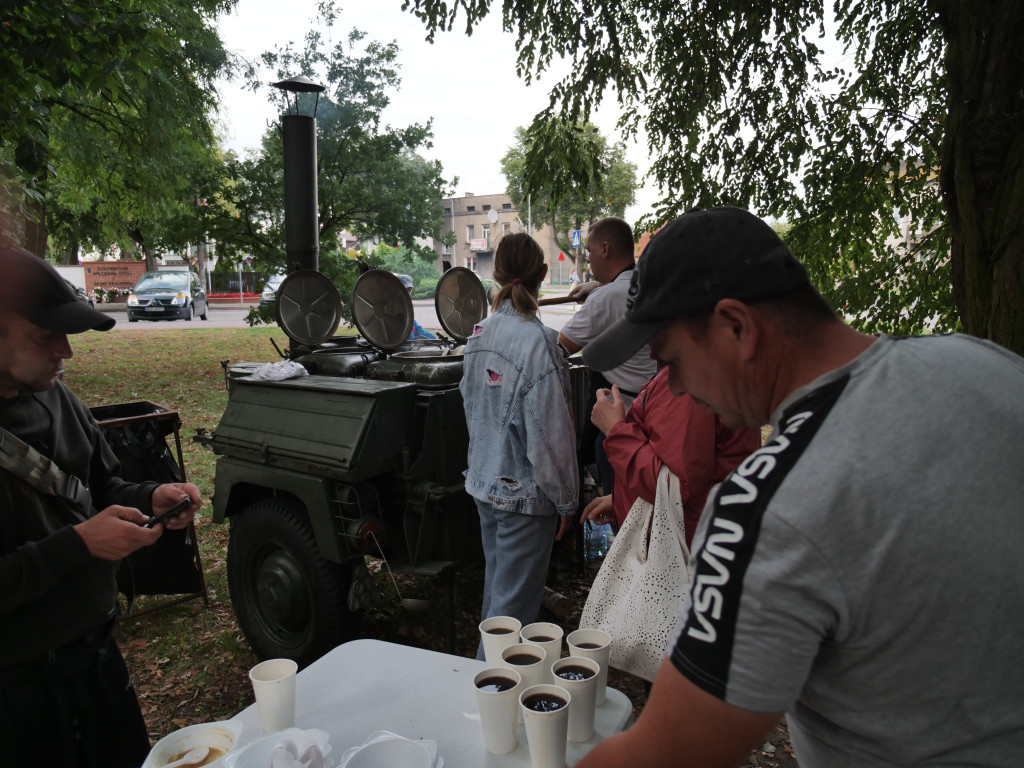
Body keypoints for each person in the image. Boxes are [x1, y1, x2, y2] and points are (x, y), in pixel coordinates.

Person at [576, 207, 1024, 768]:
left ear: (736, 327)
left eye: (675, 362)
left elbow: (669, 755)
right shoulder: (987, 367)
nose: (677, 385)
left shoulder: (766, 510)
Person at [0, 246, 202, 768]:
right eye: (45, 337)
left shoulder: (55, 397)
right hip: (18, 692)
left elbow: (101, 486)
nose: (64, 351)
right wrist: (78, 546)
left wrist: (151, 497)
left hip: (97, 659)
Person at [460, 233, 578, 658]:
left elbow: (472, 408)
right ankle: (487, 703)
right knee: (511, 622)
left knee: (497, 606)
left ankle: (484, 699)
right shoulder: (539, 342)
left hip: (485, 488)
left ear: (498, 275)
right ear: (543, 275)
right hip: (526, 499)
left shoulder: (478, 335)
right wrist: (566, 500)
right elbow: (550, 435)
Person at [581, 368, 760, 547]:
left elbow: (677, 486)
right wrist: (623, 498)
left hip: (688, 547)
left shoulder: (688, 379)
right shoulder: (693, 370)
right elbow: (675, 463)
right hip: (703, 534)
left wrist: (615, 430)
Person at [558, 217, 657, 495]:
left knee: (623, 509)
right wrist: (598, 287)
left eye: (588, 251)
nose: (588, 260)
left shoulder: (605, 298)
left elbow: (557, 348)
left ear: (605, 249)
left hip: (620, 424)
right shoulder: (649, 285)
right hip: (655, 420)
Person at [396, 273, 437, 340]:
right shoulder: (394, 309)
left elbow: (418, 330)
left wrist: (436, 340)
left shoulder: (406, 309)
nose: (408, 293)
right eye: (405, 290)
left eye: (409, 290)